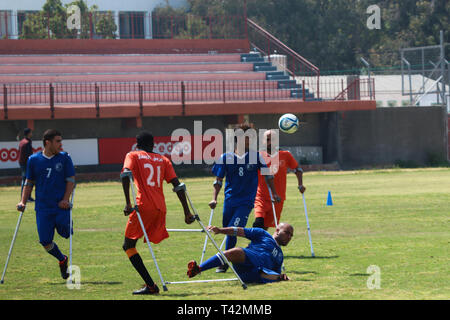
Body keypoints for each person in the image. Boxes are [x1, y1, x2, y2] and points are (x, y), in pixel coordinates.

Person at [121, 131, 195, 295]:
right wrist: (187, 212)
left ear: (137, 144)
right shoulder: (163, 160)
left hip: (143, 207)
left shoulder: (133, 155)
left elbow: (125, 174)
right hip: (160, 208)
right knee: (136, 241)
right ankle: (150, 285)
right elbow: (178, 186)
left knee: (128, 245)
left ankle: (151, 286)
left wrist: (128, 203)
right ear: (153, 144)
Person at [209, 124, 281, 273]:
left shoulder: (256, 157)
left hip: (246, 202)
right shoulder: (225, 157)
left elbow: (268, 175)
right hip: (229, 201)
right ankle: (237, 256)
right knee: (228, 228)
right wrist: (214, 198)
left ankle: (224, 261)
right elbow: (218, 180)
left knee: (233, 229)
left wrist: (274, 193)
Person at [17, 129, 75, 280]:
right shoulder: (33, 160)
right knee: (45, 242)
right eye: (58, 141)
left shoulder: (65, 158)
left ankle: (68, 224)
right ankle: (62, 259)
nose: (60, 144)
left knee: (66, 233)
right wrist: (23, 201)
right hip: (43, 208)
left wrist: (65, 200)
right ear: (47, 142)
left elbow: (71, 180)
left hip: (61, 206)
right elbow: (29, 183)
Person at [187, 223, 293, 284]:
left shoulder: (280, 256)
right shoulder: (263, 234)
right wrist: (220, 230)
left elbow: (276, 274)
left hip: (256, 274)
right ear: (277, 230)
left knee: (271, 275)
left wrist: (281, 278)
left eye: (291, 235)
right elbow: (238, 231)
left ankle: (261, 275)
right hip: (248, 259)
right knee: (235, 251)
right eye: (287, 233)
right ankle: (198, 269)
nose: (289, 237)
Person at [252, 130, 306, 230]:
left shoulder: (285, 155)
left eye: (272, 139)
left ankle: (260, 244)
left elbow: (297, 169)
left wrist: (300, 184)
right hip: (261, 197)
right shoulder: (257, 156)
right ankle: (253, 244)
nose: (270, 142)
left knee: (265, 227)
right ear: (263, 141)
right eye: (267, 140)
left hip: (278, 199)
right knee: (258, 222)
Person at [18, 128, 34, 201]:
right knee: (27, 180)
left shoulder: (22, 141)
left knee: (25, 180)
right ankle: (26, 197)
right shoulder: (27, 142)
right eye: (31, 132)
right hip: (26, 163)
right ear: (28, 133)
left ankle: (25, 197)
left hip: (22, 163)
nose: (32, 133)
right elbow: (29, 155)